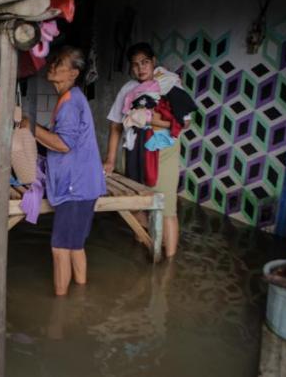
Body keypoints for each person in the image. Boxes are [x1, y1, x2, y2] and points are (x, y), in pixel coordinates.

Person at [21, 46, 106, 295]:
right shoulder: (73, 98)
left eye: (60, 63)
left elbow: (63, 144)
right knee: (75, 246)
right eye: (54, 61)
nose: (53, 65)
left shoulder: (70, 103)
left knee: (60, 249)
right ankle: (79, 301)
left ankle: (59, 311)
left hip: (75, 187)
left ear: (74, 73)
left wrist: (30, 126)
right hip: (84, 185)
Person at [103, 42, 195, 258]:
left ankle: (169, 263)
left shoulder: (169, 84)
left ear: (154, 61)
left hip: (164, 153)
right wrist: (110, 160)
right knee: (135, 202)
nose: (140, 68)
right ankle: (145, 246)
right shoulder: (128, 89)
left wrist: (148, 119)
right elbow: (116, 126)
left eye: (144, 62)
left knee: (166, 208)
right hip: (135, 151)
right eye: (135, 65)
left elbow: (186, 122)